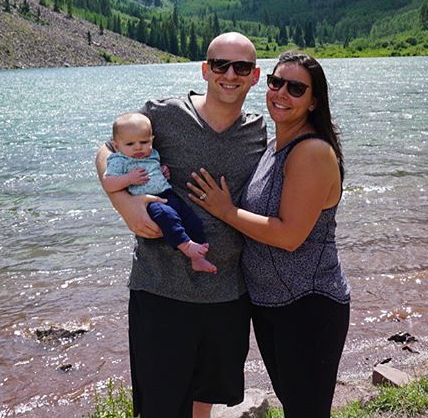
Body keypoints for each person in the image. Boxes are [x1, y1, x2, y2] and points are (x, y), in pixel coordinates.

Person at [96, 32, 267, 418]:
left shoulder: (257, 129)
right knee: (160, 405)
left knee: (204, 398)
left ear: (255, 76)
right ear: (206, 70)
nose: (230, 75)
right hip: (160, 287)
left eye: (241, 67)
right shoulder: (164, 113)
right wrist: (125, 205)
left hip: (226, 291)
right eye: (220, 65)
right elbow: (104, 151)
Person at [188, 50, 350, 418]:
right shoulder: (274, 146)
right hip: (271, 304)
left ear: (313, 102)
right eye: (276, 83)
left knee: (306, 410)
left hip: (309, 305)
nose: (282, 93)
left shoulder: (311, 152)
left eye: (296, 88)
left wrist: (226, 211)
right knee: (295, 405)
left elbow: (289, 235)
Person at [103, 111, 216, 273]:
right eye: (130, 144)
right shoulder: (119, 160)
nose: (138, 147)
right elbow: (108, 183)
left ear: (152, 140)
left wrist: (162, 173)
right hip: (148, 201)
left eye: (144, 142)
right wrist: (128, 179)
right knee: (167, 217)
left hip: (168, 194)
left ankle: (198, 259)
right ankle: (186, 246)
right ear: (116, 146)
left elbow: (153, 171)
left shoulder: (153, 154)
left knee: (193, 220)